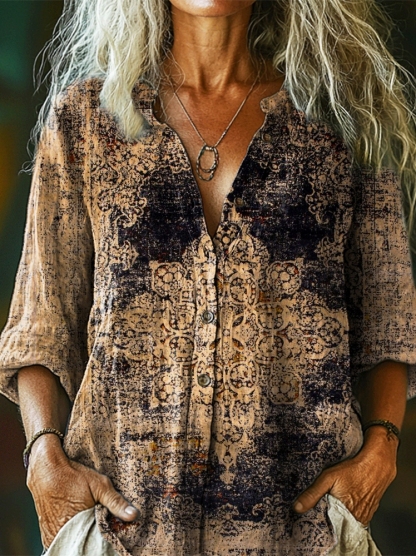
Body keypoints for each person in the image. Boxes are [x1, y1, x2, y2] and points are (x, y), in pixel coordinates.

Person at [1, 0, 416, 554]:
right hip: (124, 533)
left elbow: (389, 322)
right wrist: (44, 455)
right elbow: (40, 323)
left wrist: (382, 448)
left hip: (302, 533)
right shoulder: (86, 120)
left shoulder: (343, 119)